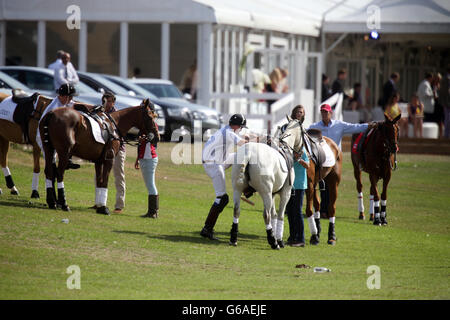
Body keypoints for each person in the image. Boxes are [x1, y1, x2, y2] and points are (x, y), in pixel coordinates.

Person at [308, 103, 368, 219]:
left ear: (331, 113)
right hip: (321, 161)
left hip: (335, 162)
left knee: (332, 187)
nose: (324, 114)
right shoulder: (315, 127)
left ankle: (327, 210)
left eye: (326, 112)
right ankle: (323, 211)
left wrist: (369, 126)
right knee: (322, 187)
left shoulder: (339, 125)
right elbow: (304, 132)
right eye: (323, 112)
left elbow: (355, 127)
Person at [200, 114, 250, 240]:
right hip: (214, 164)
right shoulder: (229, 132)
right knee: (222, 198)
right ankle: (207, 229)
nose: (241, 129)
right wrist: (256, 140)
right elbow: (243, 143)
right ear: (237, 126)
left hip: (217, 160)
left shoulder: (226, 129)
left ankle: (247, 186)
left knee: (240, 156)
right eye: (241, 127)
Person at [90, 92, 126, 213]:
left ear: (114, 102)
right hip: (103, 150)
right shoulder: (100, 113)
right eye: (106, 101)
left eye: (111, 101)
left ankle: (119, 205)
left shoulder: (118, 116)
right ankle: (98, 202)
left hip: (118, 150)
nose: (108, 104)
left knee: (118, 176)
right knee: (99, 176)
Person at [36, 83, 79, 170]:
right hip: (44, 136)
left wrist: (93, 107)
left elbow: (75, 104)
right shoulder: (54, 108)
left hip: (52, 135)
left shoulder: (62, 101)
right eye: (70, 97)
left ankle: (67, 161)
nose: (71, 99)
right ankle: (50, 179)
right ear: (64, 96)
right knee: (50, 163)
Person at [285, 105, 309, 247]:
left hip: (299, 183)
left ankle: (301, 239)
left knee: (297, 211)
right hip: (290, 182)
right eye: (298, 112)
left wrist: (298, 158)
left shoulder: (302, 148)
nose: (300, 114)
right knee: (290, 211)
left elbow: (308, 165)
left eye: (302, 112)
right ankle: (292, 237)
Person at [135, 102, 160, 218]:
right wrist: (137, 159)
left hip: (149, 158)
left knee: (150, 185)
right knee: (150, 185)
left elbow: (154, 139)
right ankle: (153, 211)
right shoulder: (145, 125)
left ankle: (153, 212)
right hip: (145, 157)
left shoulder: (152, 125)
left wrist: (146, 138)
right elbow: (141, 144)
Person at [432, 73, 444, 138]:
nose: (437, 80)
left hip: (439, 105)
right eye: (436, 78)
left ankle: (441, 135)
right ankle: (435, 135)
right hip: (433, 105)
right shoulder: (431, 85)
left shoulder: (441, 86)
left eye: (438, 79)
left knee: (440, 121)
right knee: (434, 121)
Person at [441, 67, 450, 139]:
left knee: (447, 119)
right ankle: (447, 135)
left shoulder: (444, 78)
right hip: (447, 103)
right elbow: (447, 92)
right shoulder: (447, 79)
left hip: (446, 102)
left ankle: (447, 134)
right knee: (447, 119)